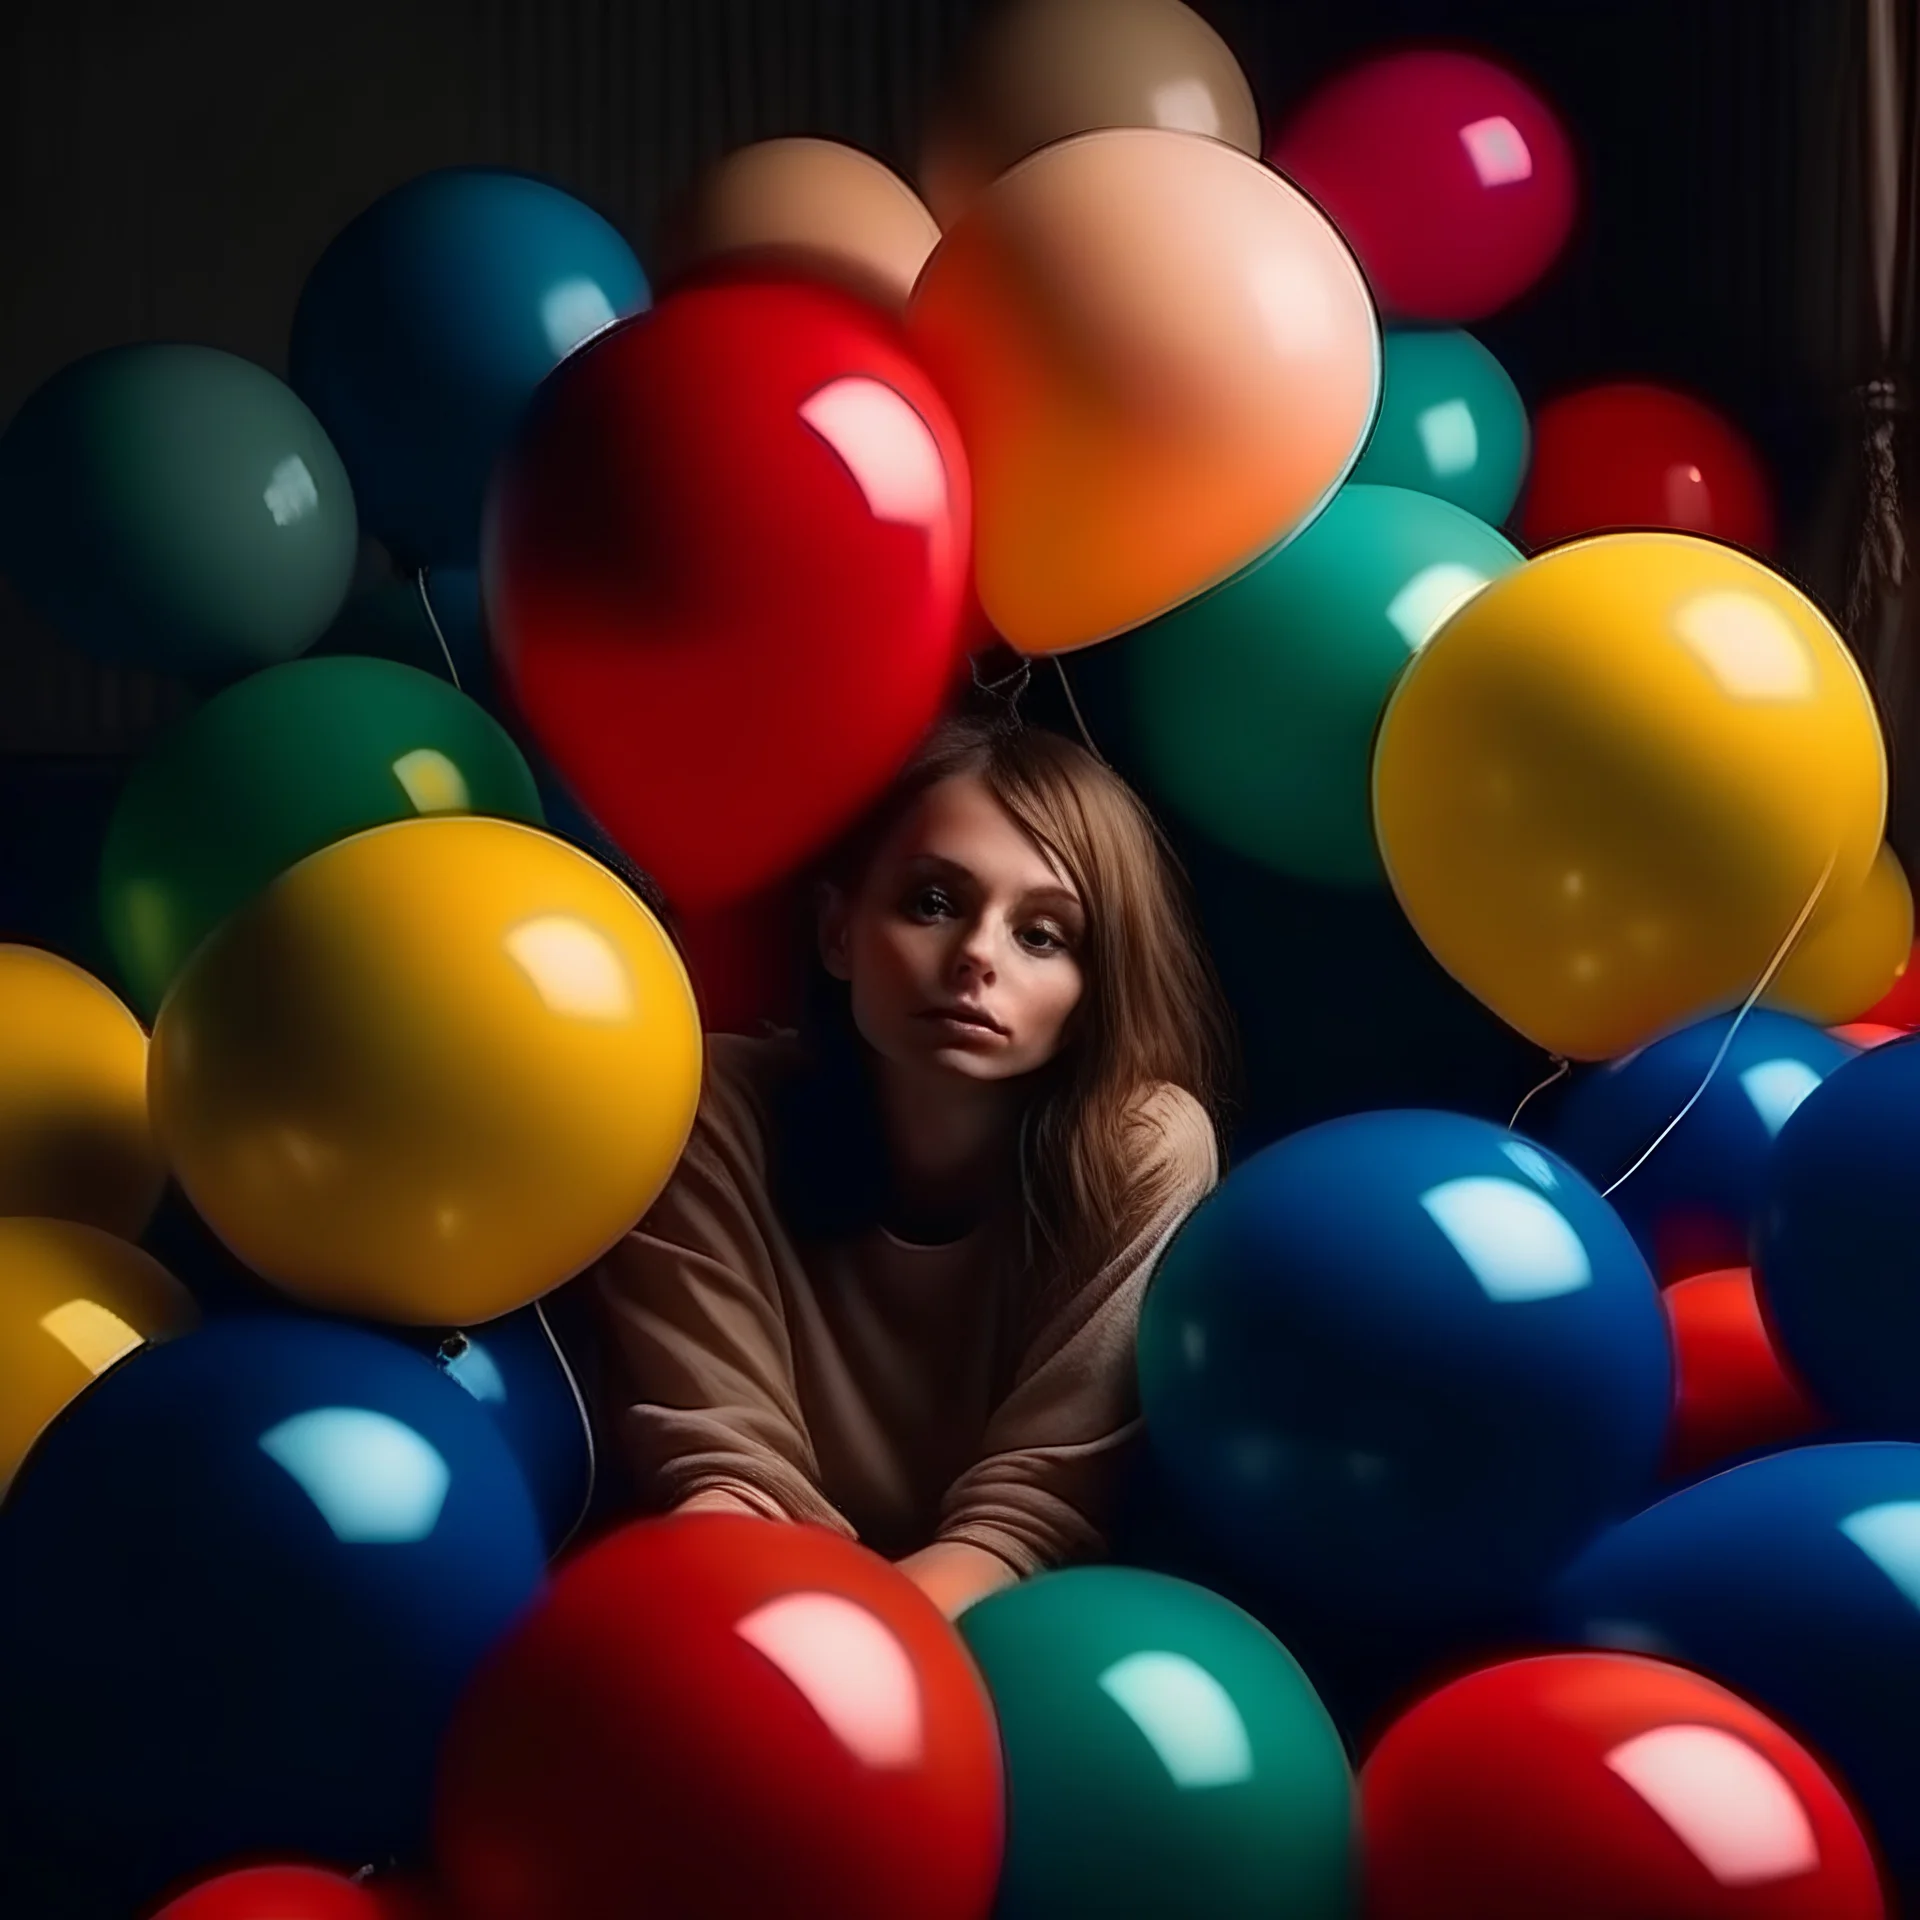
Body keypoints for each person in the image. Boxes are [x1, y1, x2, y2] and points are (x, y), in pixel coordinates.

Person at [589, 698, 1238, 1619]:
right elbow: (730, 1475)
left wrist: (865, 1670)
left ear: (1093, 990)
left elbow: (1033, 1519)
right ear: (839, 933)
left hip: (1012, 1650)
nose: (977, 955)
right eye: (933, 903)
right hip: (754, 1611)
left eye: (1042, 934)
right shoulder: (703, 1108)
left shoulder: (1142, 1149)